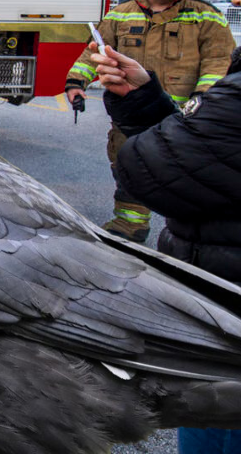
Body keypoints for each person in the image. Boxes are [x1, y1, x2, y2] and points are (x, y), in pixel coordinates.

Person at [92, 41, 241, 454]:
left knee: (216, 416)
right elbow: (213, 158)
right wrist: (144, 101)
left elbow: (156, 168)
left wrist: (159, 127)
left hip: (227, 304)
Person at [64, 0, 233, 243]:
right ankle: (129, 227)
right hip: (132, 115)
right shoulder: (121, 15)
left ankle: (184, 235)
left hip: (184, 116)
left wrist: (203, 100)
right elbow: (95, 52)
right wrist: (76, 83)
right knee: (129, 166)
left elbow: (219, 62)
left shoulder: (206, 17)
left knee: (184, 175)